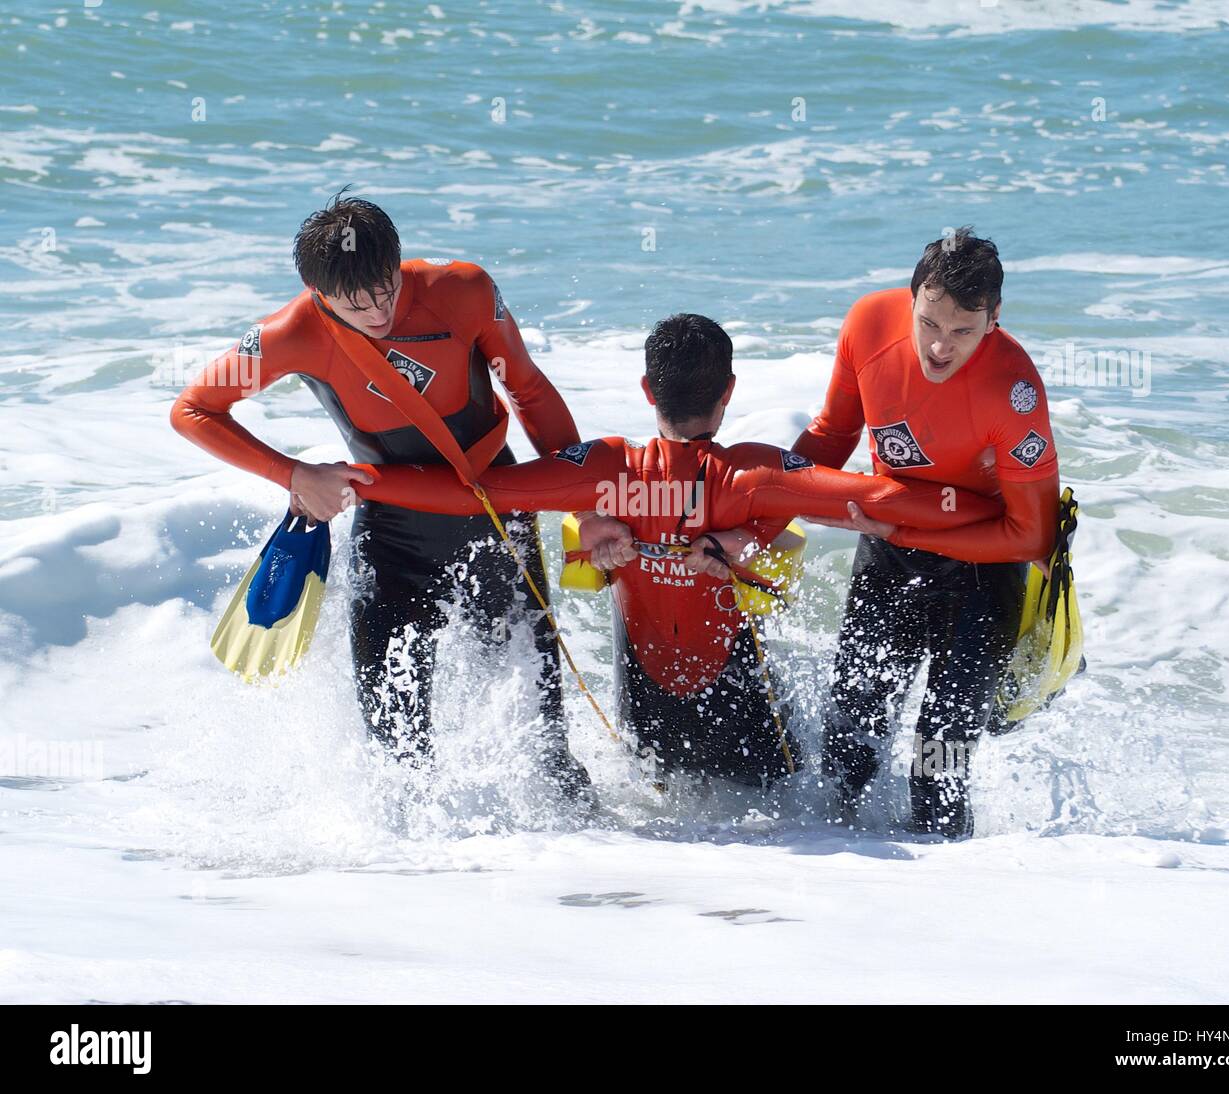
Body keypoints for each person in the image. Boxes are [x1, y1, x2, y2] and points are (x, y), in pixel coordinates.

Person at [347, 314, 1004, 788]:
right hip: (743, 712)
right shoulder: (754, 479)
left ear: (645, 390)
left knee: (661, 835)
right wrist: (1001, 512)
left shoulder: (605, 473)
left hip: (646, 716)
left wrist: (345, 480)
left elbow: (478, 492)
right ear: (728, 394)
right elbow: (882, 502)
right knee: (798, 818)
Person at [171, 190, 595, 800]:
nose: (378, 311)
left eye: (386, 289)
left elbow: (527, 389)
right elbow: (193, 409)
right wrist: (292, 474)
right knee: (396, 755)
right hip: (394, 540)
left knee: (543, 738)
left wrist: (583, 500)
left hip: (495, 522)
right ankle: (407, 883)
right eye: (355, 301)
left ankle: (579, 866)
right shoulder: (292, 333)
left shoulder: (465, 290)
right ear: (320, 293)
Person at [784, 227, 1061, 838]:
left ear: (993, 320)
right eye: (929, 323)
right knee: (846, 752)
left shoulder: (1014, 394)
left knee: (939, 766)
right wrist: (761, 510)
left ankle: (945, 905)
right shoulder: (868, 324)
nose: (940, 347)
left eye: (963, 331)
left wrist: (909, 533)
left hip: (983, 577)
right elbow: (831, 435)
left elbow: (1030, 536)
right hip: (888, 554)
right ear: (912, 300)